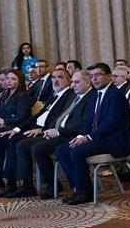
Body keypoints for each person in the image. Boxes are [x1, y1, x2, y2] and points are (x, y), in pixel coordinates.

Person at [54, 63, 130, 205]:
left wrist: (89, 137)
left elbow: (112, 123)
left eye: (98, 75)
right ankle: (77, 188)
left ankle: (85, 193)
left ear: (109, 76)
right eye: (92, 76)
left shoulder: (116, 95)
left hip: (114, 141)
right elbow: (89, 121)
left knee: (77, 152)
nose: (94, 79)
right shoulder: (96, 95)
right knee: (62, 150)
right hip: (100, 139)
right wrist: (80, 137)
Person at [0, 69, 76, 198]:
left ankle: (27, 185)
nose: (55, 80)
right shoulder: (54, 94)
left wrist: (42, 130)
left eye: (60, 77)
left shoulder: (69, 95)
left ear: (69, 81)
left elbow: (59, 118)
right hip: (36, 127)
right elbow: (37, 116)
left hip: (48, 131)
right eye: (53, 77)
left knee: (20, 144)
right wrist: (16, 129)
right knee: (2, 139)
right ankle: (6, 181)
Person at [33, 71, 96, 199]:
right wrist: (51, 129)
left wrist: (58, 132)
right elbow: (60, 116)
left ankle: (68, 186)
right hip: (62, 132)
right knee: (34, 145)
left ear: (88, 82)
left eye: (76, 82)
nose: (73, 85)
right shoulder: (75, 96)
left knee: (40, 148)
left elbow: (83, 123)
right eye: (72, 82)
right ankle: (70, 186)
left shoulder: (91, 97)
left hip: (73, 135)